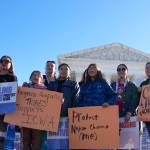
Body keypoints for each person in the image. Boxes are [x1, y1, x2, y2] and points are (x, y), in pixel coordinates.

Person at [22, 70, 46, 150]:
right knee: (26, 140)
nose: (35, 77)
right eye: (33, 75)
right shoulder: (25, 87)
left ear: (42, 79)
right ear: (30, 77)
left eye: (38, 76)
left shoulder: (46, 91)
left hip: (38, 120)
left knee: (37, 141)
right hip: (25, 119)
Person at [0, 55, 17, 149]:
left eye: (7, 61)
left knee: (3, 138)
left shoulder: (13, 78)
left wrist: (4, 108)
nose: (4, 63)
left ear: (11, 65)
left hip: (6, 113)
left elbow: (13, 95)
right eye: (2, 61)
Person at [138, 62, 150, 148]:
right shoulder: (143, 83)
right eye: (146, 68)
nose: (148, 69)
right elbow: (139, 100)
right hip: (148, 117)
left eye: (149, 67)